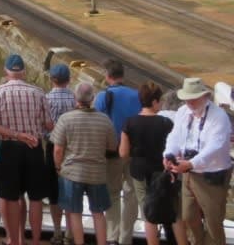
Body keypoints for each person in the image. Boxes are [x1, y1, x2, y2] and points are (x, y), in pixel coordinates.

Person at [0, 55, 52, 245]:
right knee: (36, 198)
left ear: (6, 71)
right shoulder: (38, 92)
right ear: (23, 71)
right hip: (34, 147)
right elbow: (48, 124)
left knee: (11, 197)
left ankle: (15, 241)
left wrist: (15, 134)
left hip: (8, 148)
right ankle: (36, 241)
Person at [163, 77, 232, 245]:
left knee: (214, 222)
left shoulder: (219, 116)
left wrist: (191, 163)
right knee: (187, 216)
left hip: (211, 175)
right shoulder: (182, 112)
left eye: (193, 99)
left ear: (205, 97)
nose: (190, 103)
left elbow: (214, 146)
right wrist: (169, 153)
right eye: (187, 99)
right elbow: (175, 136)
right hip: (189, 173)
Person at [51, 83, 117, 245]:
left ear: (75, 98)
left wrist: (58, 166)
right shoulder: (105, 120)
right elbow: (112, 146)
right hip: (97, 174)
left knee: (74, 213)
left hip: (72, 174)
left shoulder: (66, 119)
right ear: (93, 99)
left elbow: (58, 149)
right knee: (98, 212)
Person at [119, 81, 179, 245]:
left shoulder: (129, 123)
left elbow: (123, 153)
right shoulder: (166, 123)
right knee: (172, 210)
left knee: (148, 212)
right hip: (162, 172)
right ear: (154, 102)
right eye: (159, 101)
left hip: (139, 171)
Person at [93, 59, 141, 245]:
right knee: (132, 195)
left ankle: (112, 236)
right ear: (122, 75)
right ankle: (125, 238)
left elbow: (97, 123)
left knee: (112, 193)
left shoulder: (103, 96)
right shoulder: (137, 95)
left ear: (107, 76)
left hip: (112, 153)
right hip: (134, 153)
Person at [43, 64, 78, 244]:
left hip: (52, 147)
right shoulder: (75, 99)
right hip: (73, 148)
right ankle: (70, 233)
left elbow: (42, 127)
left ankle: (57, 231)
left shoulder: (46, 99)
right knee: (71, 191)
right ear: (68, 79)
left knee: (54, 193)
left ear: (52, 79)